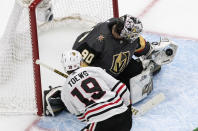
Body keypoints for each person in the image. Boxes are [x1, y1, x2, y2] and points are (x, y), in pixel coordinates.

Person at [72, 14, 159, 104]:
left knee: (138, 73)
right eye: (133, 35)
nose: (134, 37)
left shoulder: (121, 28)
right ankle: (59, 96)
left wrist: (149, 50)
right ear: (124, 33)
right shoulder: (97, 41)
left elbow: (138, 42)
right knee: (117, 93)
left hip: (115, 64)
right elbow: (81, 65)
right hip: (100, 73)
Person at [44, 50, 132, 131]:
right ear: (80, 62)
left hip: (100, 124)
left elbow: (81, 116)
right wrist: (128, 108)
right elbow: (122, 89)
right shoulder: (95, 70)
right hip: (124, 117)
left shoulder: (64, 92)